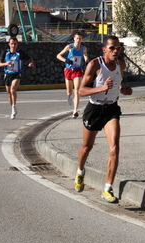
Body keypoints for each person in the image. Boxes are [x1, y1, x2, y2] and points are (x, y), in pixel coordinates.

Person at [74, 35, 132, 203]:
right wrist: (101, 87)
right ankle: (80, 171)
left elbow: (119, 84)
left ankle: (107, 188)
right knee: (86, 147)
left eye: (118, 48)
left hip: (111, 109)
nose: (116, 51)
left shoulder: (121, 65)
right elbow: (81, 91)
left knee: (114, 148)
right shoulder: (94, 64)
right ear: (104, 49)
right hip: (94, 109)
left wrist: (125, 90)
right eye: (112, 48)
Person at [0, 37, 34, 119]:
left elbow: (30, 59)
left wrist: (31, 63)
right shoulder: (5, 53)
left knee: (13, 90)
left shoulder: (20, 53)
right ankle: (12, 108)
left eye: (15, 44)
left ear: (17, 44)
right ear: (9, 44)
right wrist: (5, 63)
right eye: (12, 44)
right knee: (9, 94)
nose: (13, 45)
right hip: (7, 74)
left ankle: (14, 107)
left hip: (17, 74)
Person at [57, 31, 89, 118]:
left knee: (77, 90)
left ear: (82, 39)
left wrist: (86, 60)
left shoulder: (83, 48)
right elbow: (58, 55)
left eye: (80, 38)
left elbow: (86, 55)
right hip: (68, 70)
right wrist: (66, 60)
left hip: (78, 70)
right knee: (69, 91)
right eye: (77, 38)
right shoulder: (69, 47)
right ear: (74, 39)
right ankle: (69, 96)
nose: (78, 40)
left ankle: (75, 111)